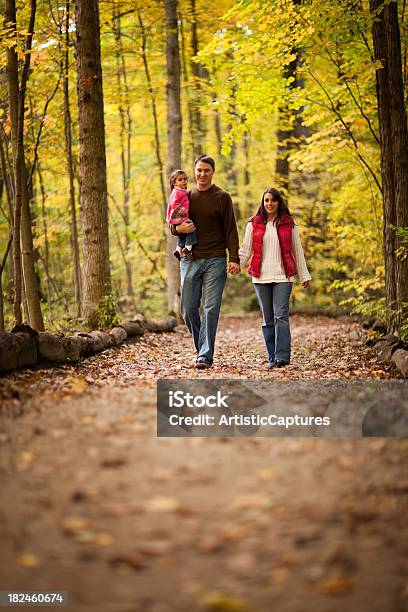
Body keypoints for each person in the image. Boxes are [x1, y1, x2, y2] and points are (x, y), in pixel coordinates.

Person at [170, 155, 240, 369]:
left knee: (210, 308)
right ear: (194, 171)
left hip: (215, 260)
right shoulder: (186, 195)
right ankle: (202, 347)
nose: (202, 174)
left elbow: (230, 229)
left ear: (212, 172)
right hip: (190, 260)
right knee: (188, 309)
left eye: (206, 170)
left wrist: (234, 258)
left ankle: (205, 355)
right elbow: (174, 221)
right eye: (199, 170)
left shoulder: (222, 197)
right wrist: (176, 229)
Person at [239, 188, 311, 367]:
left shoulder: (289, 224)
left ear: (279, 202)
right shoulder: (253, 224)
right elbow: (246, 251)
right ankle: (272, 356)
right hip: (260, 277)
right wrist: (234, 265)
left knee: (281, 316)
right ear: (262, 203)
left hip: (283, 277)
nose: (269, 203)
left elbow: (297, 251)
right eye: (266, 200)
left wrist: (304, 275)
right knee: (268, 319)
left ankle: (282, 357)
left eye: (273, 200)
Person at [166, 169, 197, 261]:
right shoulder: (176, 192)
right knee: (191, 229)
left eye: (185, 179)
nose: (183, 181)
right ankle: (188, 248)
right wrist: (183, 210)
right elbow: (175, 204)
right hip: (178, 215)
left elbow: (185, 194)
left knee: (182, 233)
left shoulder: (180, 191)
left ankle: (178, 249)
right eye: (180, 180)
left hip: (178, 216)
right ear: (174, 183)